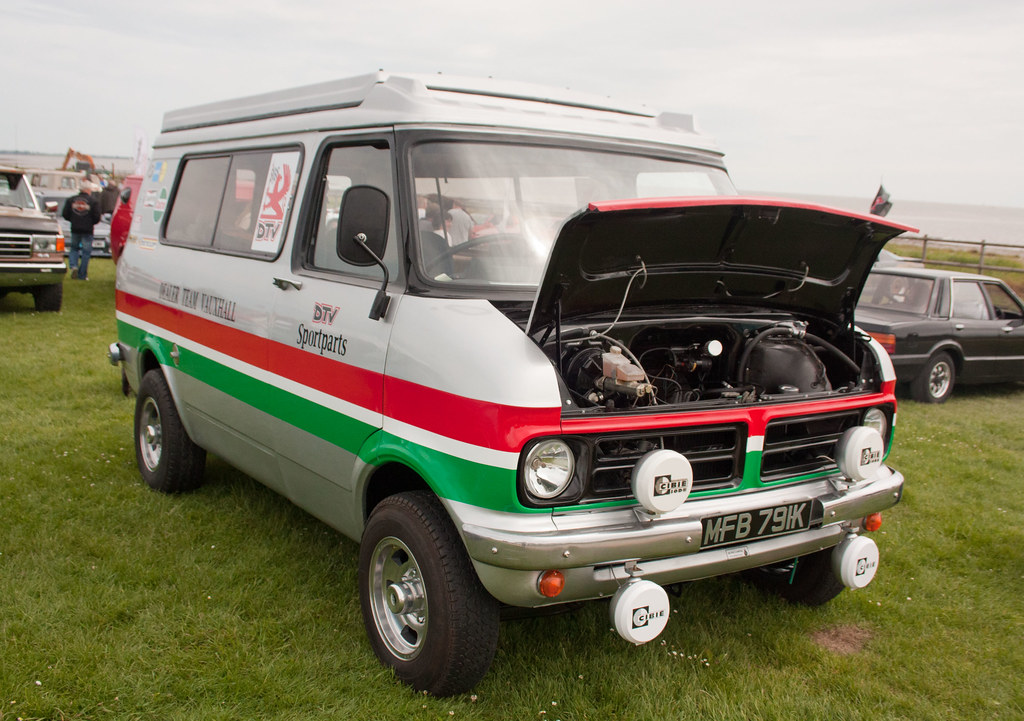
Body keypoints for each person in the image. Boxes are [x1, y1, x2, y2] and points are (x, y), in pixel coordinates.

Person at [62, 181, 102, 280]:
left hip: (75, 228)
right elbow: (97, 216)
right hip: (87, 230)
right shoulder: (93, 201)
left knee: (74, 249)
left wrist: (73, 219)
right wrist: (90, 222)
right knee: (86, 252)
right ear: (88, 190)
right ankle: (82, 275)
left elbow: (65, 214)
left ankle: (73, 266)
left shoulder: (71, 200)